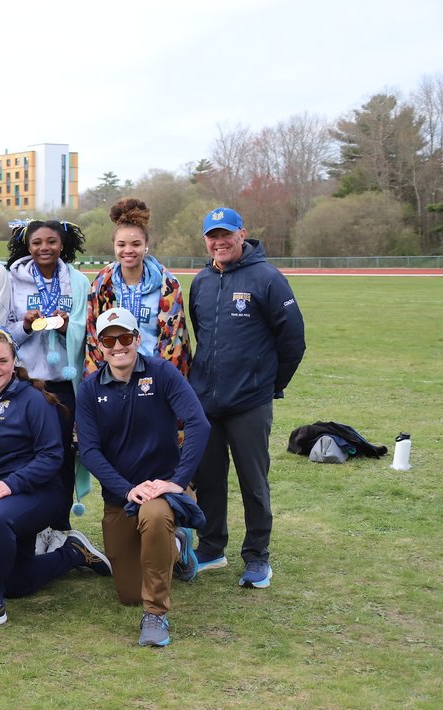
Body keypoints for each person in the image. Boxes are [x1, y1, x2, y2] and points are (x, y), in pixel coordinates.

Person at [0, 330, 111, 634]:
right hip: (1, 504)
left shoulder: (32, 400)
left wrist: (12, 483)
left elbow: (52, 456)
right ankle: (73, 553)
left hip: (38, 495)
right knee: (16, 582)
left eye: (2, 361)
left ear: (14, 362)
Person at [77, 309, 210, 646]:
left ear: (137, 339)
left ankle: (155, 615)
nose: (118, 346)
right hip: (121, 497)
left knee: (154, 516)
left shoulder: (162, 373)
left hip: (163, 492)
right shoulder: (90, 388)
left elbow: (198, 423)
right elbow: (90, 451)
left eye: (125, 338)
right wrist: (127, 489)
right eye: (109, 339)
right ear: (100, 345)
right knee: (127, 593)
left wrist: (178, 481)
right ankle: (177, 547)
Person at [188, 207, 306, 588]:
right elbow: (201, 335)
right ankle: (211, 547)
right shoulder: (201, 281)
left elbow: (293, 340)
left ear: (243, 233)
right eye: (212, 236)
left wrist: (270, 384)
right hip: (206, 401)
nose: (219, 242)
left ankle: (257, 556)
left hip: (249, 402)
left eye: (226, 234)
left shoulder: (267, 278)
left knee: (253, 481)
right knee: (208, 479)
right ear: (205, 240)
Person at [5, 219, 93, 531]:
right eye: (37, 242)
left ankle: (60, 525)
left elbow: (89, 331)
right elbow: (2, 332)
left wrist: (69, 325)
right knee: (27, 455)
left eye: (52, 241)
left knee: (62, 457)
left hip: (65, 384)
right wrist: (26, 325)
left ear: (63, 244)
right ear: (27, 245)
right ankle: (30, 525)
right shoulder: (12, 281)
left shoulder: (78, 282)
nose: (45, 248)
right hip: (26, 384)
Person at [85, 199, 191, 376]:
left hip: (154, 378)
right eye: (121, 244)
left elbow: (174, 341)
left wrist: (164, 381)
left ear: (146, 246)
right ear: (114, 246)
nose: (128, 250)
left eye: (136, 244)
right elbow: (93, 337)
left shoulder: (168, 286)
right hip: (112, 378)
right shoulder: (101, 285)